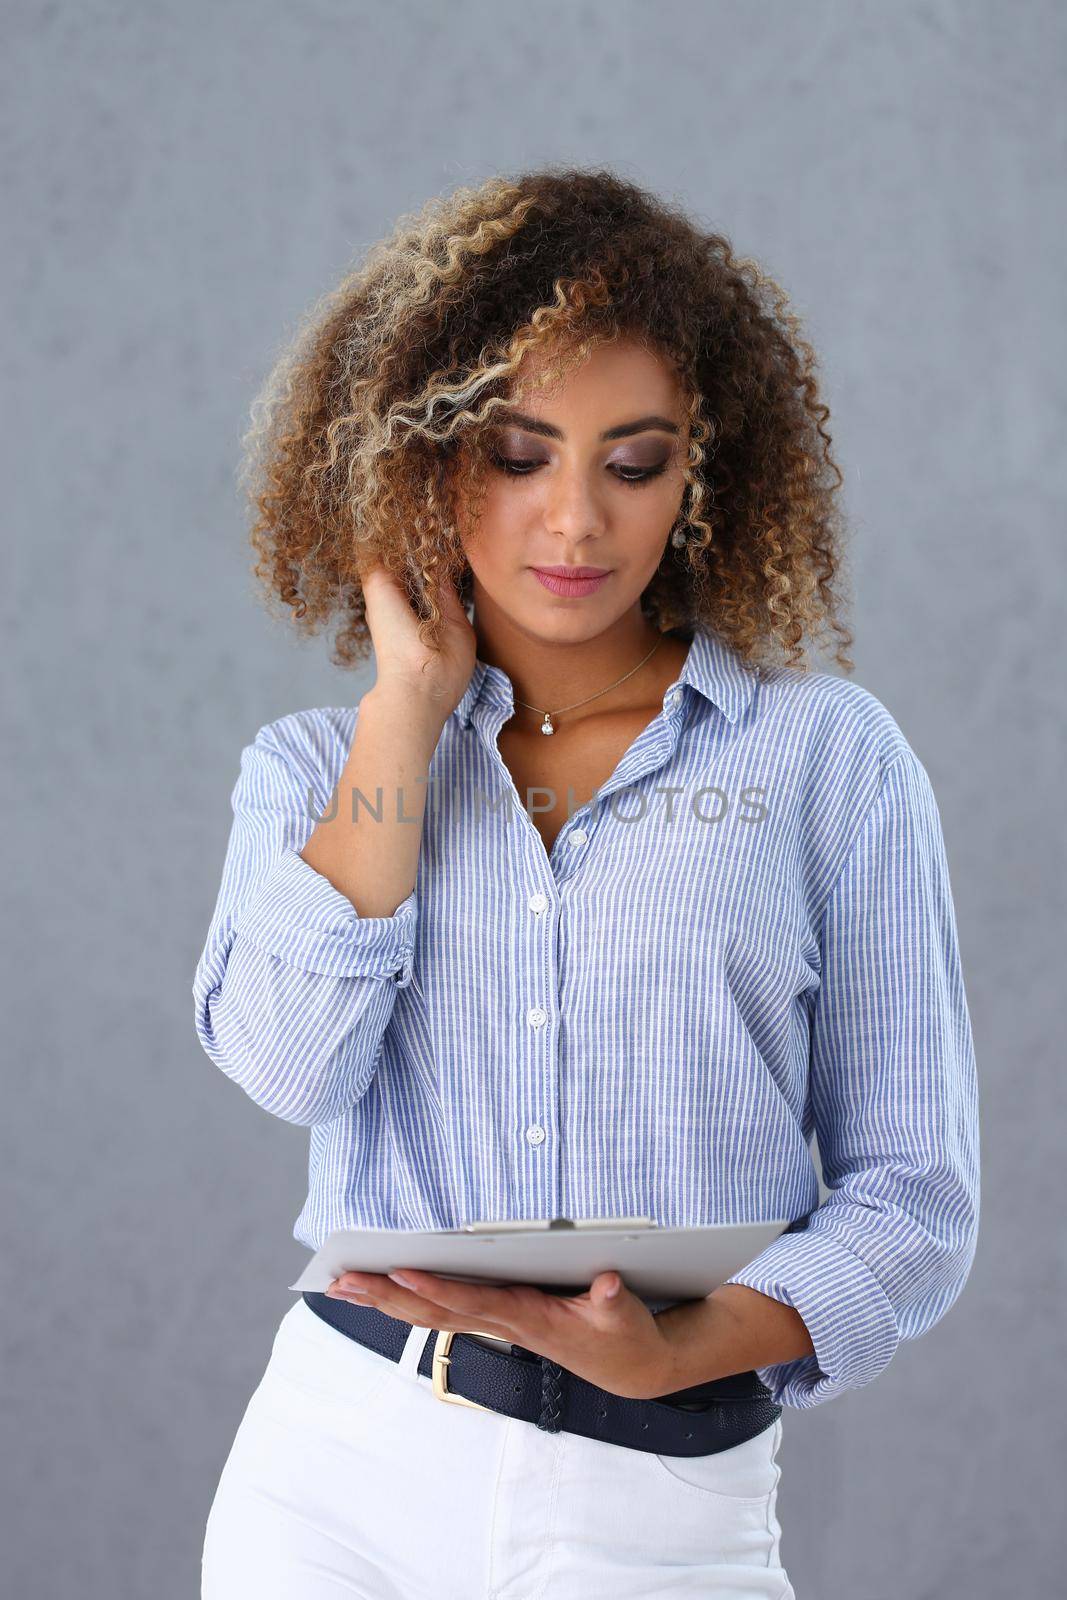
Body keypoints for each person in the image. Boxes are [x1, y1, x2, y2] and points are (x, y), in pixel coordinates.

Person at [193, 166, 980, 1598]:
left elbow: (914, 1200)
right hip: (340, 1472)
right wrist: (406, 713)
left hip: (664, 1503)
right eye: (515, 453)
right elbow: (292, 1064)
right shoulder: (319, 771)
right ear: (419, 458)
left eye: (631, 461)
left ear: (698, 479)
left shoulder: (826, 761)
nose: (574, 521)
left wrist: (685, 1344)